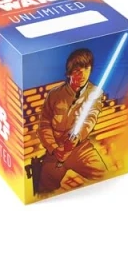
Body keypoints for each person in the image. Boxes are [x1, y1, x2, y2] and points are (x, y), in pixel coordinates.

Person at [37, 48, 107, 193]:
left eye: (87, 69)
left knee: (104, 176)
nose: (82, 74)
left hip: (80, 149)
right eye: (77, 70)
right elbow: (44, 125)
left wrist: (77, 138)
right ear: (69, 72)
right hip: (55, 151)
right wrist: (53, 148)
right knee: (43, 189)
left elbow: (90, 118)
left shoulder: (95, 93)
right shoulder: (54, 95)